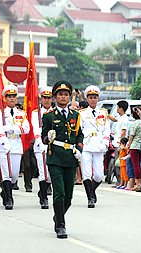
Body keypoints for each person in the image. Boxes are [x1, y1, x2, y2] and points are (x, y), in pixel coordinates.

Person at [41, 80, 83, 239]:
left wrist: (79, 148)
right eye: (60, 95)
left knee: (69, 196)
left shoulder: (75, 115)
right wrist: (48, 138)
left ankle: (58, 215)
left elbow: (79, 134)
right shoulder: (49, 116)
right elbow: (43, 138)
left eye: (66, 94)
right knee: (59, 191)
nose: (63, 97)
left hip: (71, 158)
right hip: (55, 157)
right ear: (55, 97)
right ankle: (61, 225)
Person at [0, 84, 29, 210]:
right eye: (9, 96)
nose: (12, 98)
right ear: (5, 98)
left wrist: (11, 128)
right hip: (4, 146)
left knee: (14, 174)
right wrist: (5, 140)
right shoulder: (0, 114)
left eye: (14, 96)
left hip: (16, 145)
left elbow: (26, 128)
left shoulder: (22, 113)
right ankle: (9, 199)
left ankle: (5, 191)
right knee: (6, 173)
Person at [79, 85, 110, 208]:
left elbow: (106, 130)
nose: (93, 100)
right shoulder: (81, 113)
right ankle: (90, 198)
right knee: (86, 174)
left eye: (95, 97)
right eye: (90, 97)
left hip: (99, 145)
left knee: (99, 175)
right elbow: (79, 130)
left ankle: (91, 190)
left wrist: (105, 143)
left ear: (98, 99)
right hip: (86, 145)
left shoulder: (103, 112)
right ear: (87, 99)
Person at [32, 86, 53, 209]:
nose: (46, 100)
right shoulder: (36, 113)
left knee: (50, 175)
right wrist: (40, 142)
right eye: (44, 98)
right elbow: (36, 129)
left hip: (53, 146)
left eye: (48, 98)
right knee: (43, 173)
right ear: (41, 99)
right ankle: (44, 199)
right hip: (41, 145)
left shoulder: (55, 112)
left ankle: (43, 190)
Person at [109, 100, 129, 188]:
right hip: (116, 143)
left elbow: (123, 133)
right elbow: (113, 119)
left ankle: (121, 182)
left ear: (121, 108)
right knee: (118, 162)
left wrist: (121, 146)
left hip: (120, 144)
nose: (116, 109)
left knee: (120, 163)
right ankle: (119, 182)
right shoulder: (120, 117)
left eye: (117, 107)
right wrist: (105, 113)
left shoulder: (125, 119)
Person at [127, 107, 141, 191]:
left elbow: (131, 136)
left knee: (135, 165)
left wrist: (128, 145)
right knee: (139, 165)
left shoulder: (134, 124)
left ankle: (138, 183)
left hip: (134, 146)